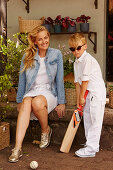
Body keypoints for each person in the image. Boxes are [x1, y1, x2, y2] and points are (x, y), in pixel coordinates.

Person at [9, 25, 65, 162]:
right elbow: (22, 80)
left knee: (37, 102)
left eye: (46, 38)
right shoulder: (27, 56)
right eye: (40, 39)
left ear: (48, 38)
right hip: (32, 91)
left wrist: (62, 102)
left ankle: (45, 130)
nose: (44, 41)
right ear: (35, 41)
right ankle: (17, 148)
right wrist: (19, 101)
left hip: (49, 92)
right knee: (27, 102)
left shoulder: (56, 54)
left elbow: (59, 80)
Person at [68, 33, 106, 157]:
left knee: (95, 120)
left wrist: (82, 97)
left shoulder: (88, 60)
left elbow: (85, 82)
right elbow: (77, 84)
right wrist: (79, 100)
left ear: (85, 46)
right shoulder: (76, 63)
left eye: (78, 48)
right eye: (72, 49)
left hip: (96, 92)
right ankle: (90, 145)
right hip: (87, 93)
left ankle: (91, 148)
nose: (75, 51)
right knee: (88, 119)